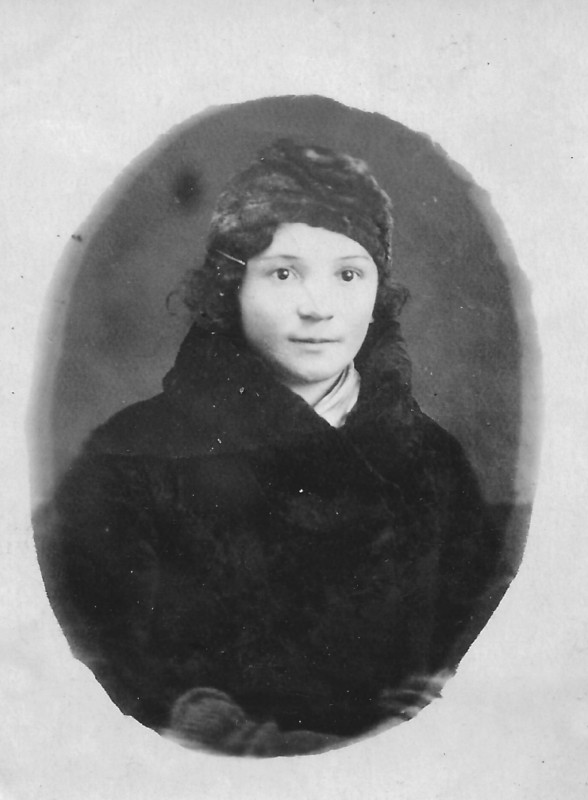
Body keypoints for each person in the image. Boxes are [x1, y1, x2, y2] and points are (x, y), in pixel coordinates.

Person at [34, 139, 500, 756]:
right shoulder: (130, 459)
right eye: (283, 273)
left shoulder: (432, 459)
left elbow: (482, 653)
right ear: (231, 286)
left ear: (377, 293)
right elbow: (102, 672)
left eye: (348, 274)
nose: (318, 307)